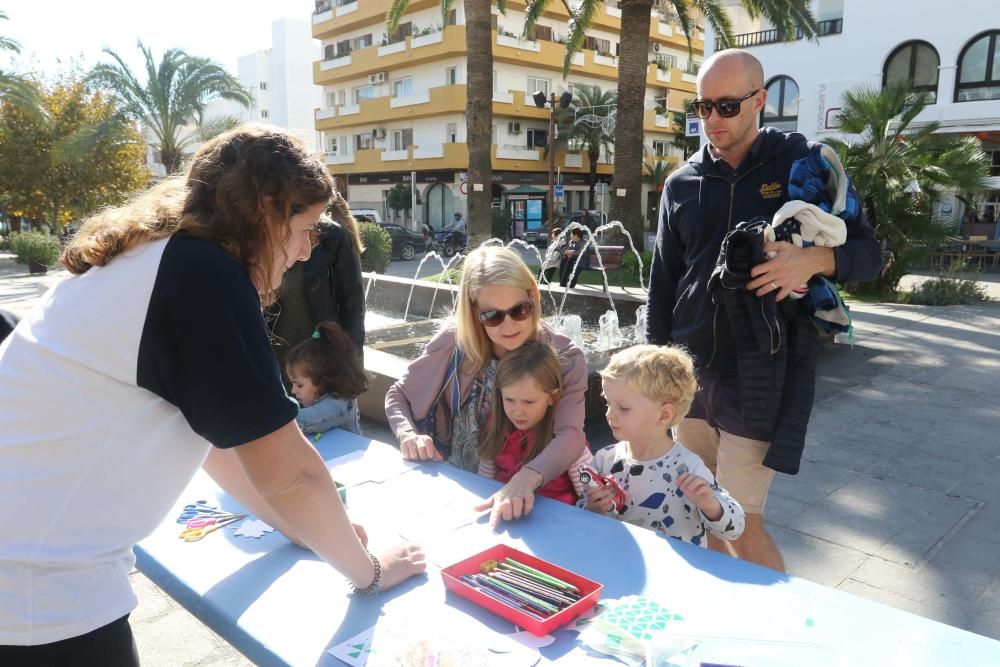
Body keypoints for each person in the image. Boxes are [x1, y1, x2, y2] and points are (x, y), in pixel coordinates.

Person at [0, 125, 425, 664]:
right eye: (305, 228)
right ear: (266, 208)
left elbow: (221, 439)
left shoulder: (159, 257)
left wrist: (294, 526)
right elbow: (289, 471)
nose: (303, 252)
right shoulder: (204, 276)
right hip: (37, 594)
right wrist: (373, 570)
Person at [646, 49, 880, 571]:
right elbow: (663, 281)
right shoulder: (681, 182)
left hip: (759, 372)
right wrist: (653, 368)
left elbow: (869, 253)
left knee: (742, 522)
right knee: (695, 507)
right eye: (702, 106)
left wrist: (815, 260)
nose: (711, 120)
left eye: (726, 106)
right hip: (689, 374)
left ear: (760, 100)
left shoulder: (805, 166)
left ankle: (784, 632)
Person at [385, 246, 589, 527]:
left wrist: (526, 478)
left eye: (520, 310)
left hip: (531, 504)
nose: (508, 325)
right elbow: (398, 394)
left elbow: (571, 435)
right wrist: (408, 435)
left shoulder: (565, 358)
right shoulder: (455, 344)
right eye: (492, 315)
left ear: (533, 295)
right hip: (458, 493)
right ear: (473, 310)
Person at [585, 345, 745, 546]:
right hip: (623, 567)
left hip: (674, 573)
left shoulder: (687, 467)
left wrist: (710, 505)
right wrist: (592, 508)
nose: (610, 414)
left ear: (664, 414)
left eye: (623, 408)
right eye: (608, 403)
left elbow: (735, 529)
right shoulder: (603, 460)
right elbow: (582, 518)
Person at [268, 192, 365, 387]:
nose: (304, 252)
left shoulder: (332, 238)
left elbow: (353, 306)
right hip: (275, 367)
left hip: (320, 366)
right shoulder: (264, 238)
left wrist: (352, 367)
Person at [477, 340, 590, 505]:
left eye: (528, 402)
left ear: (552, 397)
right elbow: (483, 484)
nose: (518, 411)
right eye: (509, 399)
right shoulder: (495, 430)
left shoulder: (567, 447)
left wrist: (596, 504)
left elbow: (589, 494)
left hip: (560, 525)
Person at [286, 321, 366, 435]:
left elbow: (299, 421)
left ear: (323, 380)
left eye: (299, 385)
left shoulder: (337, 405)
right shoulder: (323, 396)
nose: (293, 391)